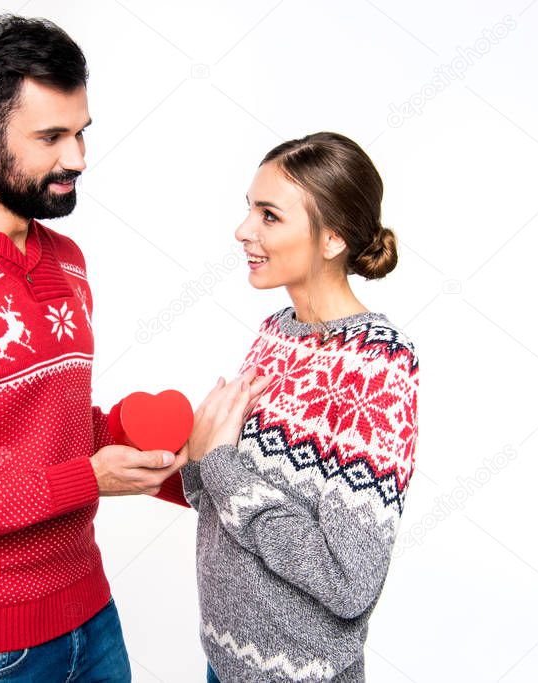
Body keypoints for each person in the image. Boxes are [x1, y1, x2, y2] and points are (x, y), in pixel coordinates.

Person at [0, 14, 268, 682]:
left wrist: (172, 450)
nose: (77, 158)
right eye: (51, 137)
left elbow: (56, 435)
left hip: (91, 616)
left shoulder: (65, 261)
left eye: (80, 132)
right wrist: (85, 478)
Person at [178, 132, 420, 682]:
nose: (244, 231)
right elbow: (211, 498)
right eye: (249, 210)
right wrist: (193, 453)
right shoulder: (275, 333)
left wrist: (217, 462)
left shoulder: (378, 364)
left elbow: (347, 580)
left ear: (332, 238)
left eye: (269, 216)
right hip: (223, 659)